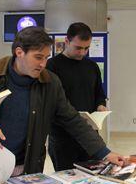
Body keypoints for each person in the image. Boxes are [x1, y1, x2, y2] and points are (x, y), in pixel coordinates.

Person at [0, 26, 125, 176]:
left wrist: (104, 153)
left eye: (46, 58)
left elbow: (72, 119)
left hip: (25, 166)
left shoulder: (50, 82)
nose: (43, 64)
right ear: (19, 52)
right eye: (38, 57)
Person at [46, 22, 108, 171]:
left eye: (86, 48)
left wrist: (100, 105)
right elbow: (50, 101)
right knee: (67, 181)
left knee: (92, 179)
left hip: (89, 136)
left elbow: (99, 93)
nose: (82, 52)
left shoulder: (92, 67)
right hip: (62, 137)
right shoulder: (51, 66)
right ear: (66, 41)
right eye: (78, 48)